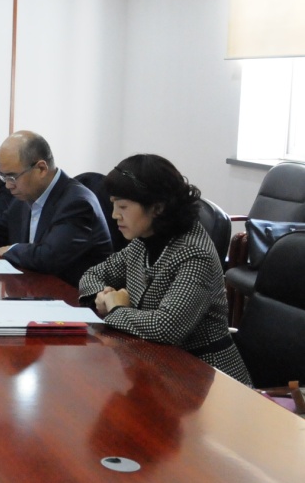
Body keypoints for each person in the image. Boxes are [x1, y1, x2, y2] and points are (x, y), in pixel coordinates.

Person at [78, 154, 251, 384]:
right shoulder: (144, 240)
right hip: (156, 365)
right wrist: (102, 296)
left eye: (123, 206)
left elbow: (166, 327)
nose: (114, 215)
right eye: (113, 205)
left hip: (205, 377)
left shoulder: (194, 254)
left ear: (157, 208)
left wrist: (114, 308)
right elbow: (92, 275)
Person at [0, 130, 112, 286]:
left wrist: (12, 249)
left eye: (12, 177)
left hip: (73, 302)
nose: (8, 185)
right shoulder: (26, 196)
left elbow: (49, 257)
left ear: (41, 169)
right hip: (32, 289)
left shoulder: (77, 203)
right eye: (4, 177)